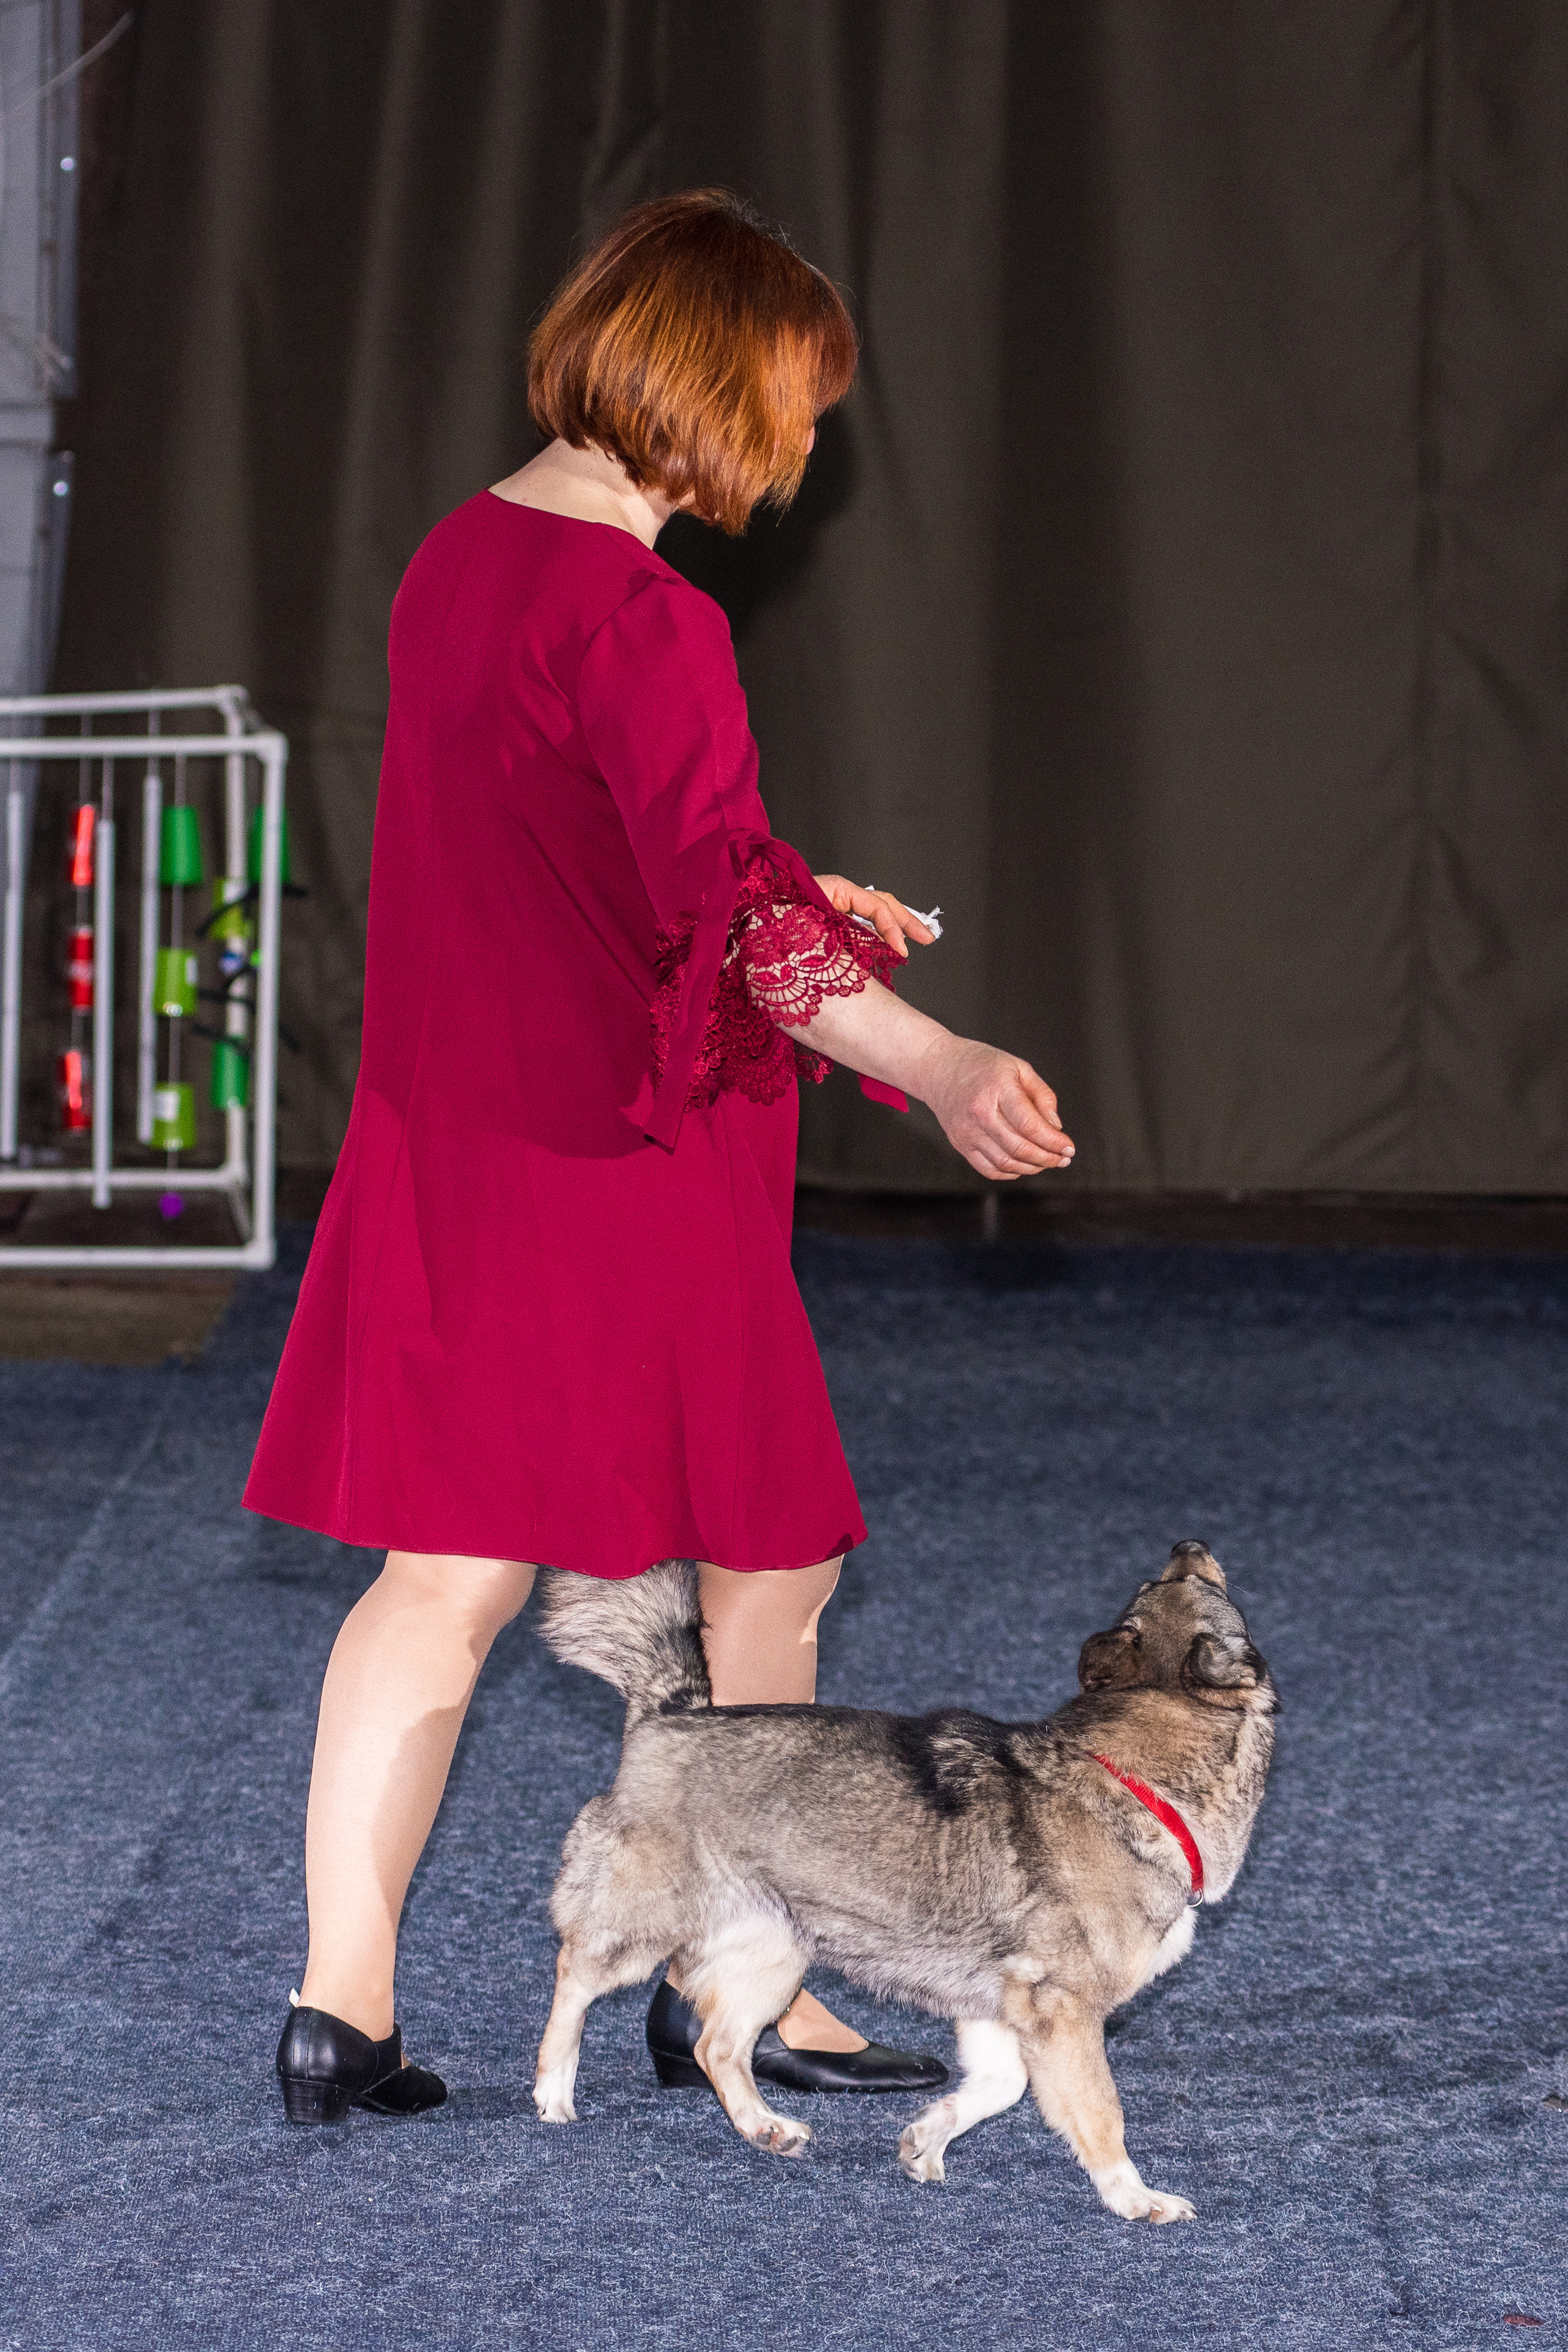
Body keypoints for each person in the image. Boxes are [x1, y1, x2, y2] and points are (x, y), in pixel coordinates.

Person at [246, 189, 1074, 2128]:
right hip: (625, 1175)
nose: (799, 448)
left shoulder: (456, 561)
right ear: (711, 379)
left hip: (456, 1149)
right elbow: (745, 937)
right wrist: (938, 1057)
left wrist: (792, 900)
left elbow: (617, 870)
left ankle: (335, 2012)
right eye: (794, 402)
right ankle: (747, 1987)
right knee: (770, 1557)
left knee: (437, 1580)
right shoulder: (646, 612)